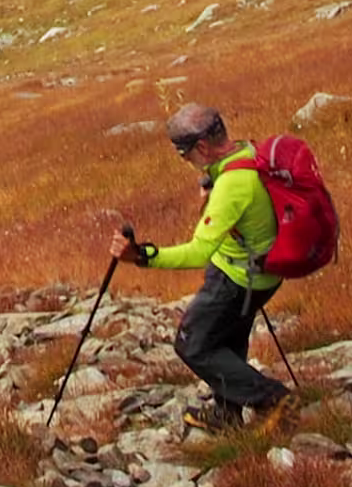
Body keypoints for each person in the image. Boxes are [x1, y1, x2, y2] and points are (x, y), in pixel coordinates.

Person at [109, 103, 288, 422]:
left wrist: (142, 256)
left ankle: (273, 398)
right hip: (261, 273)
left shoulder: (232, 186)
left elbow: (198, 252)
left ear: (202, 147)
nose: (186, 162)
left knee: (193, 345)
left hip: (236, 279)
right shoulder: (247, 155)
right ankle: (226, 417)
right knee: (226, 341)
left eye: (184, 154)